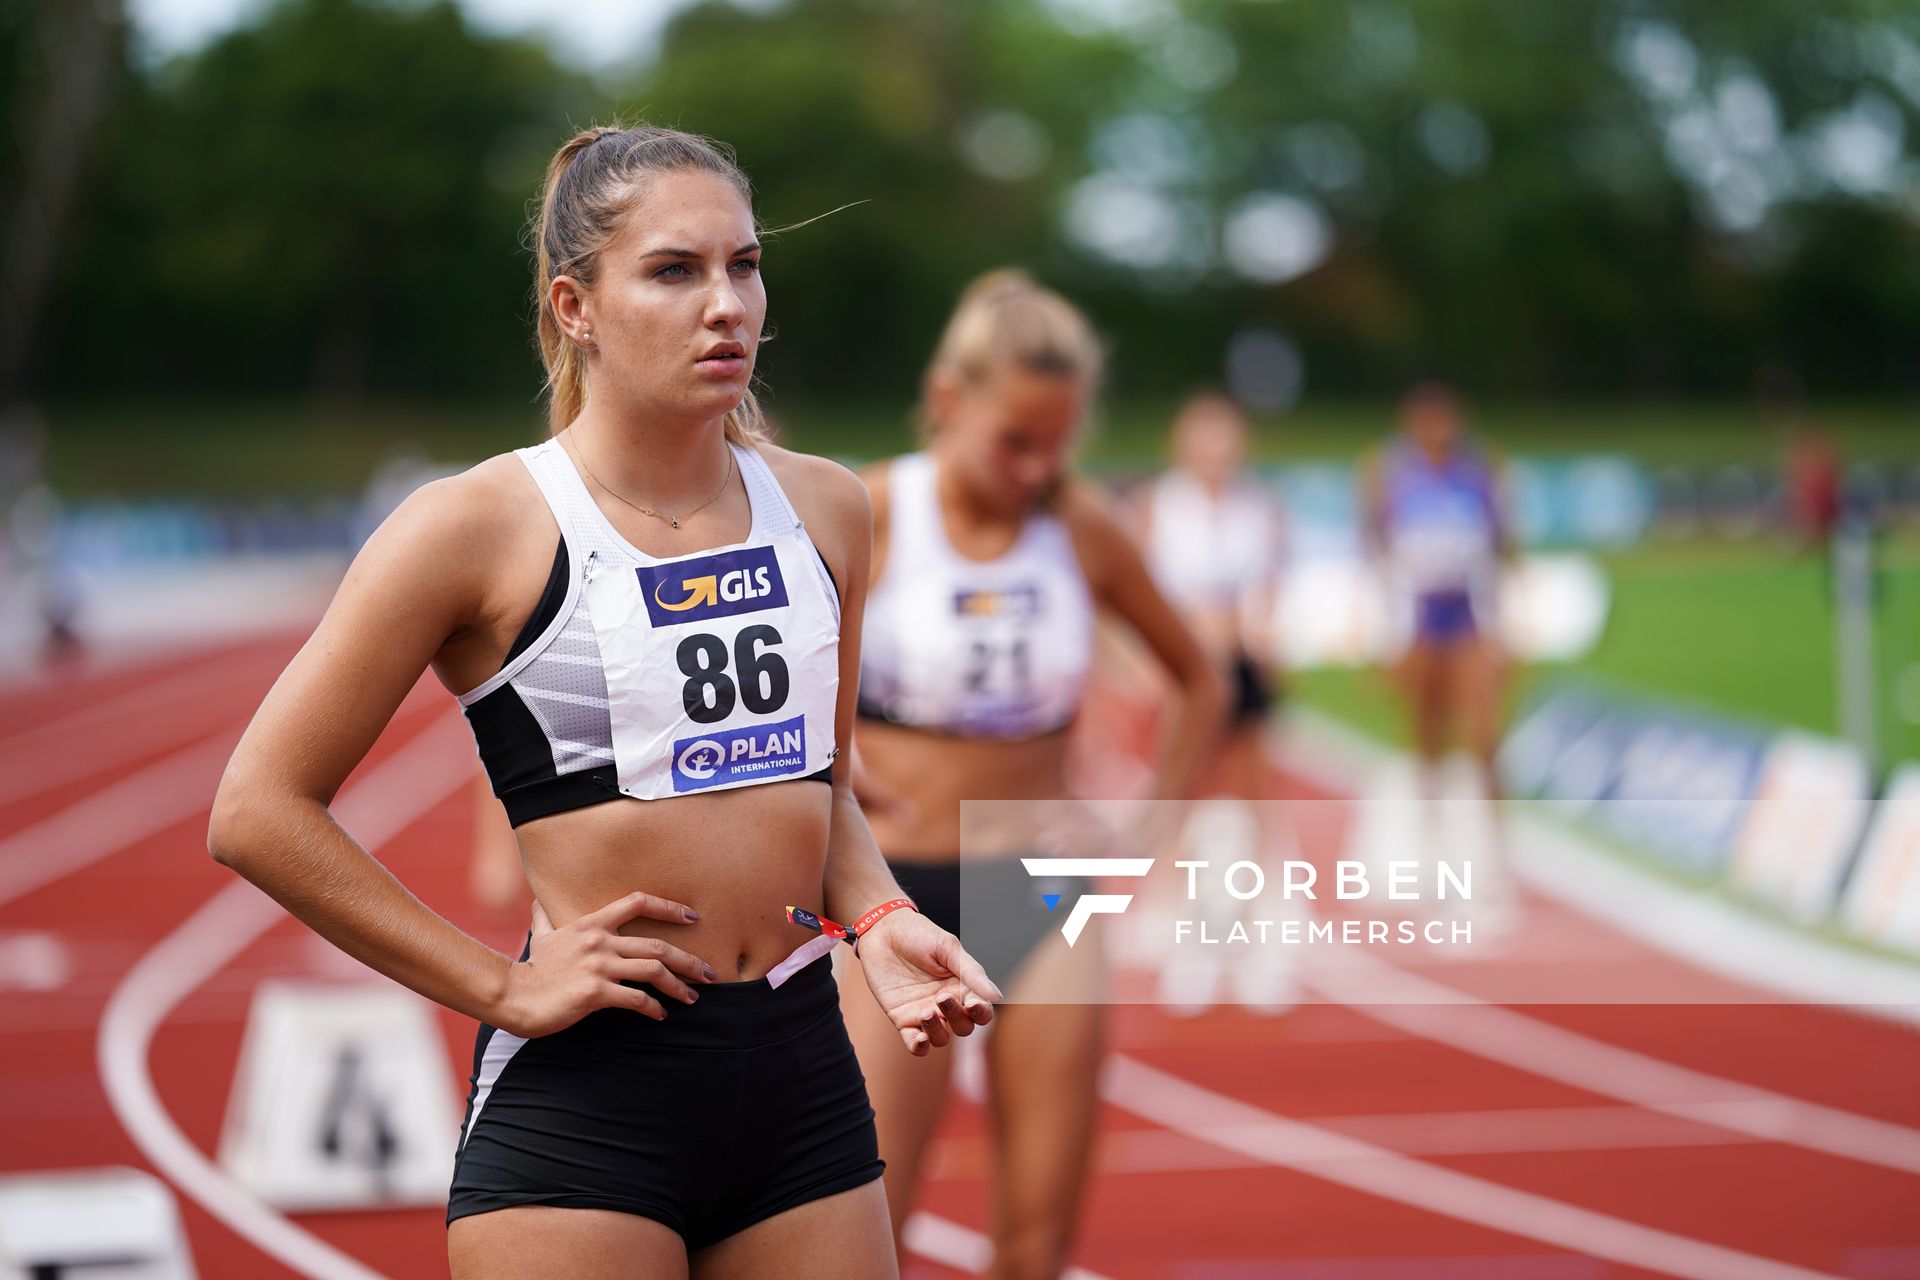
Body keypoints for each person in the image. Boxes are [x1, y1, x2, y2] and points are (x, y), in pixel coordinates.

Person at [207, 122, 1001, 1280]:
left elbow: (815, 787)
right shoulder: (474, 525)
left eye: (745, 264)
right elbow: (257, 808)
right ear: (576, 305)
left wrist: (875, 919)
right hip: (590, 1108)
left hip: (799, 1076)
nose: (726, 303)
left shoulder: (828, 509)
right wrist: (500, 983)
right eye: (675, 271)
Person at [842, 270, 1223, 1279]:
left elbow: (1201, 676)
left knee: (1038, 1239)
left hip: (1040, 887)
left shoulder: (1084, 527)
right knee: (868, 1228)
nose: (1039, 465)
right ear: (949, 398)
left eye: (1059, 440)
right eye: (1017, 439)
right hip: (895, 896)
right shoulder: (873, 512)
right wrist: (830, 780)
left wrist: (1146, 827)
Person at [1360, 380, 1512, 809]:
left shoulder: (1479, 472)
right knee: (1427, 726)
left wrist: (1505, 622)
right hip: (1418, 614)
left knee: (1484, 727)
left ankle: (1495, 824)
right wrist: (1381, 630)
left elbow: (1500, 546)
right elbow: (1374, 550)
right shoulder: (1388, 475)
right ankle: (1430, 816)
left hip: (1467, 612)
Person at [1140, 391, 1286, 800]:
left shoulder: (1258, 504)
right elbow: (1144, 587)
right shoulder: (1161, 502)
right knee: (1183, 767)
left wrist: (1265, 635)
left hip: (1242, 649)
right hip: (1186, 652)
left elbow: (1270, 580)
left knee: (1253, 767)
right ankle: (1168, 850)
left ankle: (1265, 853)